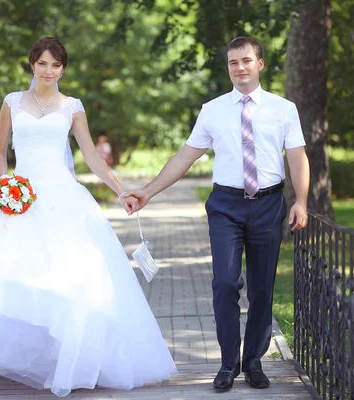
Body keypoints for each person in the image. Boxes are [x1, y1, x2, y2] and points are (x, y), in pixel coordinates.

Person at [0, 37, 176, 398]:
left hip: (64, 199)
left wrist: (120, 190)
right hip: (20, 196)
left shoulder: (73, 106)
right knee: (11, 273)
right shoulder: (12, 101)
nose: (49, 71)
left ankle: (68, 360)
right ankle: (31, 356)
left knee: (69, 276)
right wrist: (6, 184)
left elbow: (90, 155)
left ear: (63, 69)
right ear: (32, 65)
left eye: (56, 65)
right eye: (42, 64)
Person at [126, 36, 310, 391]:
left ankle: (254, 361)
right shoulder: (213, 109)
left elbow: (297, 156)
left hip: (269, 204)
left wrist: (300, 200)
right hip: (225, 205)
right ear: (228, 67)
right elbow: (185, 156)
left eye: (245, 60)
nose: (239, 68)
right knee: (225, 282)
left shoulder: (284, 109)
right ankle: (228, 364)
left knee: (262, 288)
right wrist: (148, 192)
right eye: (232, 63)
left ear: (260, 64)